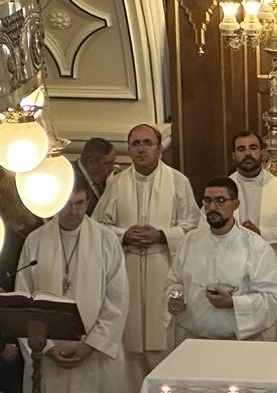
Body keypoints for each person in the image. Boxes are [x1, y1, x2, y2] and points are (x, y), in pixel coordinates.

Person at [93, 124, 201, 393]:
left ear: (158, 147)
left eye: (147, 143)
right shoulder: (116, 183)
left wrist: (163, 235)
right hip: (127, 269)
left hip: (163, 267)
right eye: (135, 143)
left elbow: (194, 227)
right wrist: (124, 235)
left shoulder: (178, 181)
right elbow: (98, 227)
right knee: (128, 343)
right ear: (128, 149)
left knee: (164, 338)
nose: (141, 148)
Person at [15, 182, 128, 393]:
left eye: (79, 203)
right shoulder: (35, 240)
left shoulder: (107, 241)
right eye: (67, 204)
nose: (73, 211)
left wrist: (91, 345)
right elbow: (23, 299)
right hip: (48, 354)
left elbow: (117, 301)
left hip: (94, 354)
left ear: (87, 203)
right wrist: (47, 348)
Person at [166, 177, 277, 343]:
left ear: (235, 204)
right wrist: (175, 298)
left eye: (221, 200)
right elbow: (174, 282)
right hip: (193, 341)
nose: (213, 207)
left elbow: (274, 299)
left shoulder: (256, 247)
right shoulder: (190, 241)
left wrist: (233, 302)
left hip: (237, 343)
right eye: (208, 201)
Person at [229, 131, 277, 341]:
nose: (248, 154)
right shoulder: (222, 190)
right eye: (241, 149)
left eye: (253, 148)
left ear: (262, 153)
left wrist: (261, 235)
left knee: (273, 340)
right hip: (232, 277)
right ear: (233, 155)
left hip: (270, 275)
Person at [73, 138, 117, 215]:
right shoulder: (69, 180)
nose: (112, 168)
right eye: (108, 163)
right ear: (91, 162)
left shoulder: (105, 179)